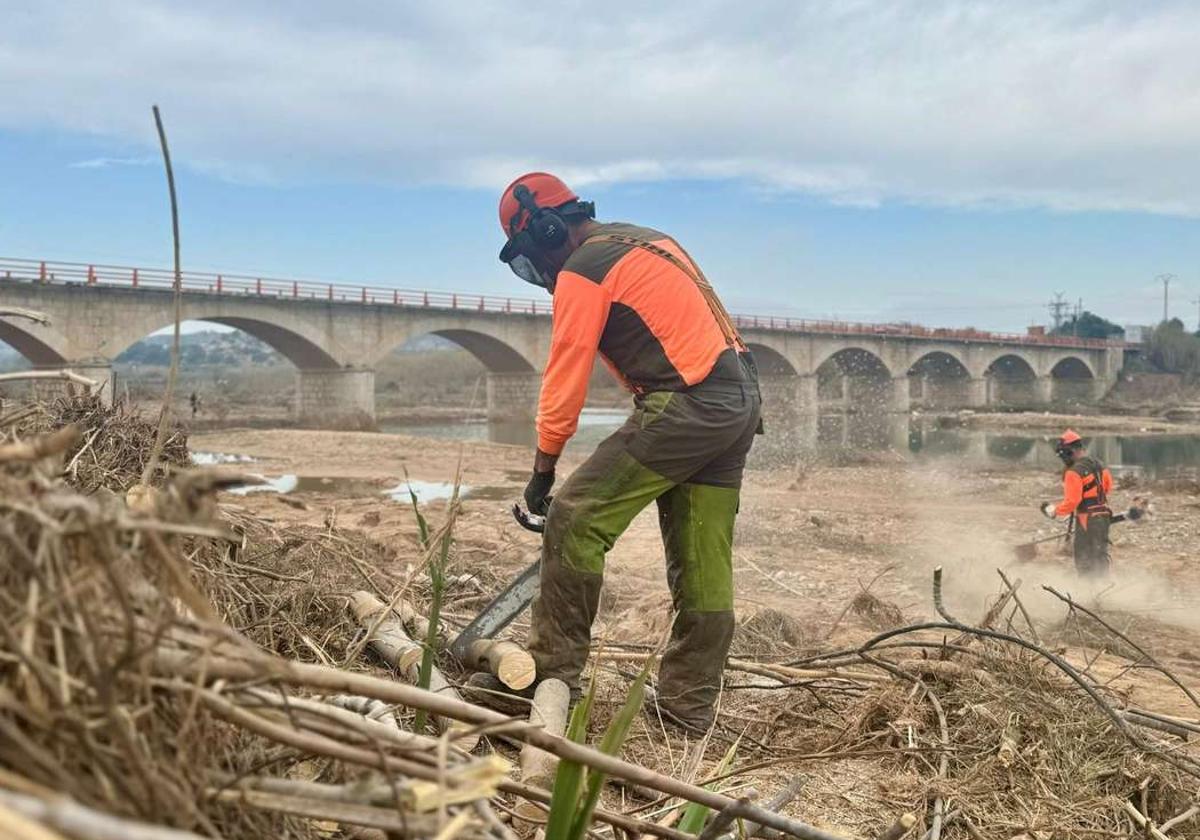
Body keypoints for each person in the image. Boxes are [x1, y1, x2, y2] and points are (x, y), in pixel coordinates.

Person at [469, 172, 762, 732]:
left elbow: (566, 373)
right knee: (702, 562)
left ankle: (547, 678)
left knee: (577, 518)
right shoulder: (649, 239)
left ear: (550, 230)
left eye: (535, 258)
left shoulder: (586, 267)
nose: (544, 274)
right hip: (736, 399)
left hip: (689, 400)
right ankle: (687, 707)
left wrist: (543, 470)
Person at [1040, 430, 1113, 576]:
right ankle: (1103, 589)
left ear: (1069, 451)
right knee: (1100, 555)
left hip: (1087, 518)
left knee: (1084, 559)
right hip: (1104, 515)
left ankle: (1087, 592)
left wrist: (1054, 511)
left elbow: (1072, 502)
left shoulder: (1073, 472)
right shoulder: (1099, 464)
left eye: (1062, 454)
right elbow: (1107, 488)